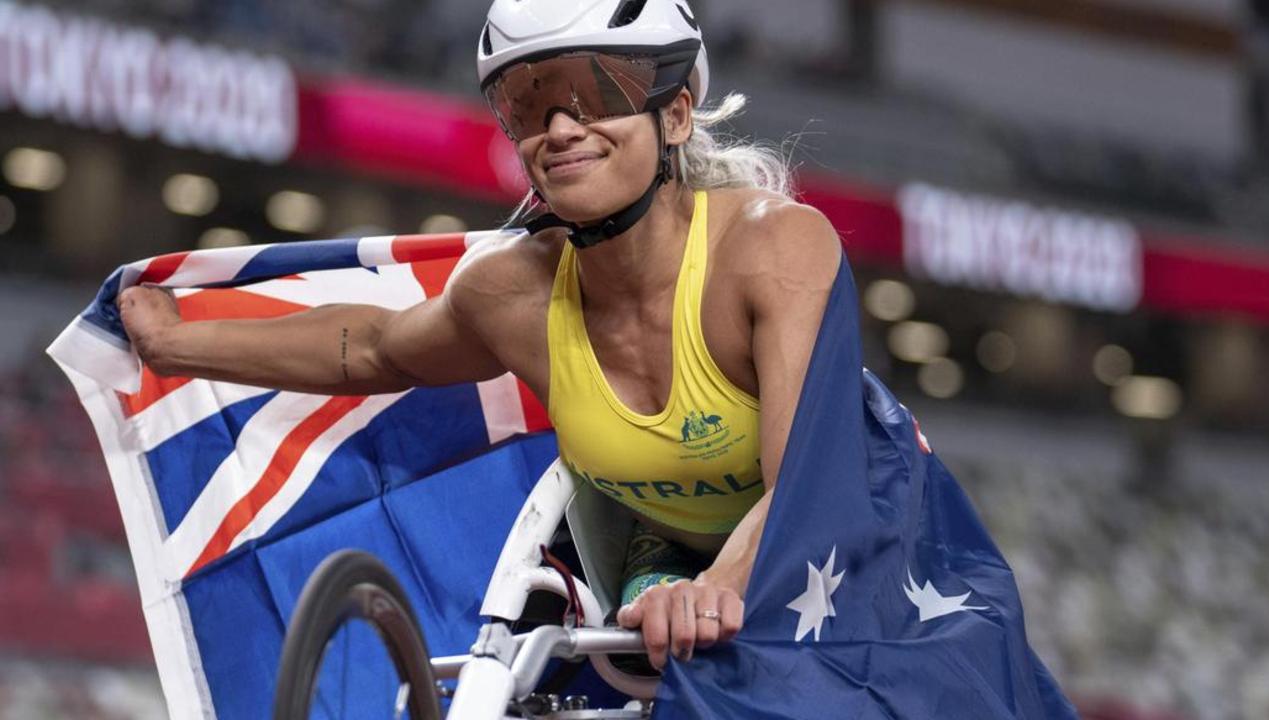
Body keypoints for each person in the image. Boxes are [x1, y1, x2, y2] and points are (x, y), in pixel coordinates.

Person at [118, 0, 842, 673]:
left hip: (848, 547)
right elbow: (373, 347)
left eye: (597, 93)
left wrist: (715, 588)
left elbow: (808, 485)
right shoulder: (509, 291)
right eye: (528, 103)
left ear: (677, 115)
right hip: (668, 563)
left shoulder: (772, 247)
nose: (560, 128)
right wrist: (175, 345)